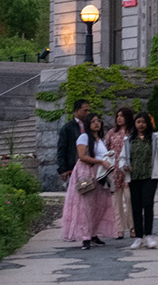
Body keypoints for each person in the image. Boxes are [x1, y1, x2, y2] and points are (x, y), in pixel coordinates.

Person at [118, 109, 158, 249]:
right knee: (136, 206)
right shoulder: (129, 140)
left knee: (148, 203)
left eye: (143, 122)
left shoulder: (155, 138)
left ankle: (149, 235)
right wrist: (123, 167)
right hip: (134, 176)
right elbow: (122, 158)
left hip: (150, 176)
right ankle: (138, 237)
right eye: (138, 122)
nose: (141, 125)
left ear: (147, 124)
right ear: (134, 124)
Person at [61, 114, 115, 248]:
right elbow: (82, 156)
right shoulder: (84, 137)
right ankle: (85, 236)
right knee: (85, 205)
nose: (96, 124)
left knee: (99, 204)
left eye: (98, 121)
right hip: (87, 172)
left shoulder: (100, 139)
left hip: (100, 174)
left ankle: (94, 233)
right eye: (93, 121)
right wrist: (100, 161)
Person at [107, 108, 135, 240]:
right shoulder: (112, 132)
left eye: (122, 116)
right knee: (116, 202)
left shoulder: (132, 132)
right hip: (114, 172)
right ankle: (119, 229)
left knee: (129, 200)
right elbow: (105, 148)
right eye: (117, 116)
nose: (119, 118)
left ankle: (132, 227)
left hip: (128, 171)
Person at [55, 100, 89, 187]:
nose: (87, 113)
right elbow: (62, 149)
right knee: (76, 191)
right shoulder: (67, 128)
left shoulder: (89, 126)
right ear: (77, 110)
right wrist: (63, 169)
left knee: (88, 189)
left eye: (88, 110)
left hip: (89, 165)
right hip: (73, 166)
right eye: (85, 110)